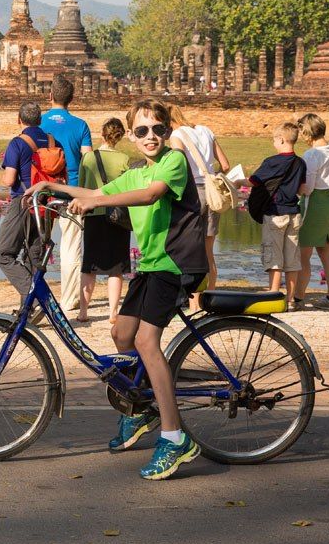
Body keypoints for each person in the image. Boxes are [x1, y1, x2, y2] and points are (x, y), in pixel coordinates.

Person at [28, 99, 206, 480]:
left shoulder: (173, 162)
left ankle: (175, 438)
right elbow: (94, 193)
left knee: (145, 342)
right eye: (142, 131)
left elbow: (149, 196)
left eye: (158, 128)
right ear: (131, 136)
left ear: (168, 131)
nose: (151, 136)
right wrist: (50, 186)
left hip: (176, 264)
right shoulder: (136, 170)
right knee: (121, 333)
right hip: (152, 267)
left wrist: (101, 200)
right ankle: (141, 408)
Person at [167, 104, 232, 310]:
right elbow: (226, 164)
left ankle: (194, 304)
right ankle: (208, 299)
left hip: (192, 193)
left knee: (192, 251)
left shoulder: (176, 136)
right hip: (212, 192)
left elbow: (178, 166)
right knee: (208, 251)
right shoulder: (205, 130)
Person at [40, 76, 92, 311]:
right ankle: (69, 299)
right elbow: (88, 158)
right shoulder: (80, 125)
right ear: (71, 99)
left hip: (42, 192)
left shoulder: (38, 123)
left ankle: (35, 296)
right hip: (71, 191)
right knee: (70, 248)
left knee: (37, 246)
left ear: (50, 96)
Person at [0, 101, 51, 298]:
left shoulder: (18, 143)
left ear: (18, 120)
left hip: (24, 201)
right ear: (40, 120)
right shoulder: (53, 142)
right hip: (47, 203)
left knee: (3, 253)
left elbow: (10, 179)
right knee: (33, 256)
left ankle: (34, 296)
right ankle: (29, 310)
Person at [77, 118, 131, 324]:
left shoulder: (88, 158)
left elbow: (81, 186)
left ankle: (83, 311)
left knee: (89, 265)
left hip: (93, 214)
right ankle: (112, 312)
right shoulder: (124, 159)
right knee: (115, 267)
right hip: (117, 215)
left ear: (102, 134)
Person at [249, 122, 307, 304]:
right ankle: (290, 299)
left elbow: (253, 181)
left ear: (281, 139)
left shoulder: (272, 162)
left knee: (273, 253)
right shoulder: (300, 162)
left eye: (274, 140)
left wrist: (235, 183)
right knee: (292, 257)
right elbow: (302, 189)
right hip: (294, 214)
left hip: (276, 213)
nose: (273, 143)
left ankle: (273, 292)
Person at [294, 113, 329, 310]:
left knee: (303, 254)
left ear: (307, 132)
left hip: (315, 203)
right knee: (327, 252)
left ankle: (297, 298)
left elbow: (308, 187)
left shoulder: (312, 154)